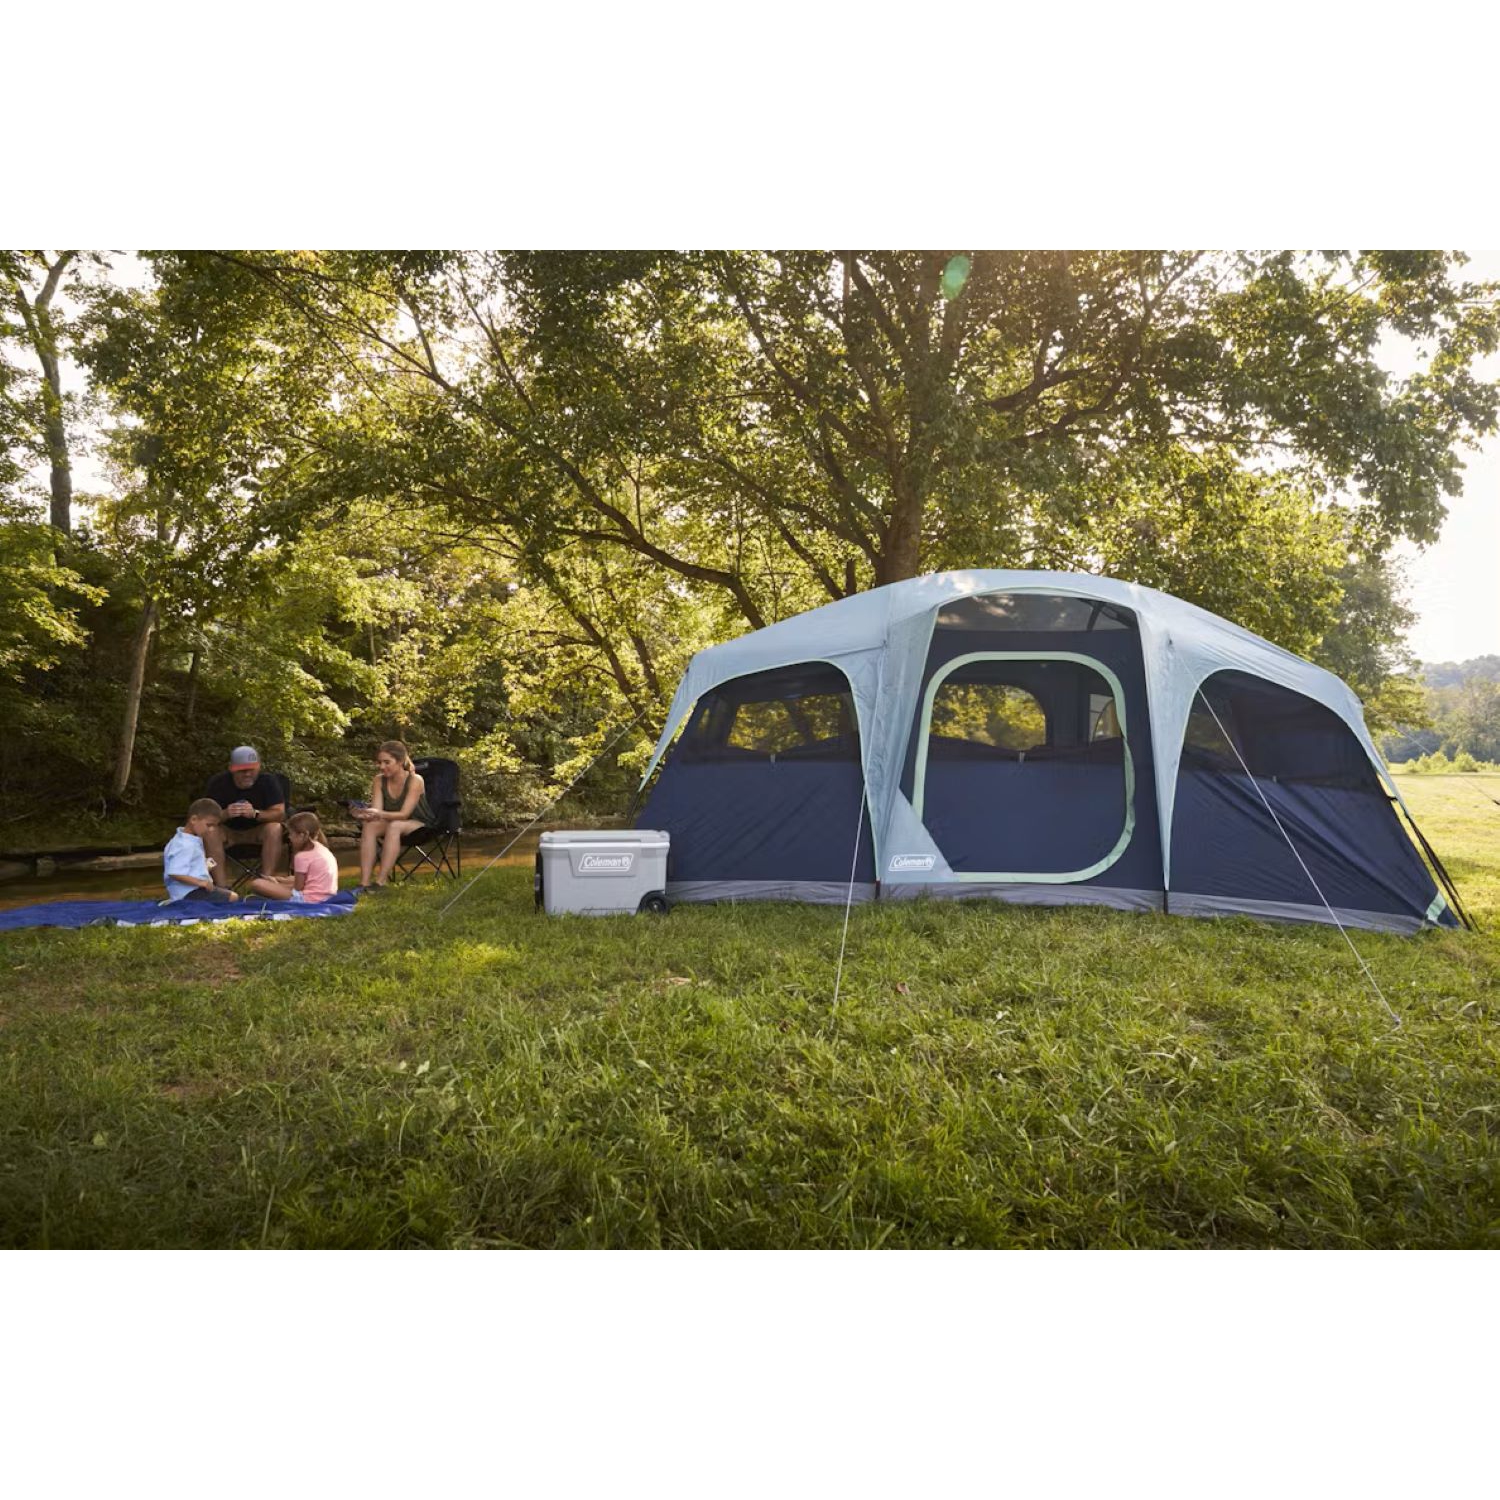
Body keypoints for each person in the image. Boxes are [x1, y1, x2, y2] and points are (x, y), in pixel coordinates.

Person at [354, 740, 435, 893]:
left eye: (387, 762)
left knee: (395, 825)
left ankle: (380, 882)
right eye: (379, 762)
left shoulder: (415, 780)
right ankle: (364, 883)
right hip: (392, 819)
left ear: (400, 762)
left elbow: (404, 814)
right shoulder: (379, 780)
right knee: (369, 826)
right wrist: (365, 814)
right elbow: (377, 810)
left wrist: (378, 813)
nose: (382, 766)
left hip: (419, 822)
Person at [203, 745, 287, 887]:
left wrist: (255, 814)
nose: (247, 774)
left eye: (251, 770)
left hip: (257, 833)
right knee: (210, 832)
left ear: (258, 767)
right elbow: (204, 818)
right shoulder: (218, 783)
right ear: (231, 768)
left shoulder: (268, 782)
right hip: (228, 834)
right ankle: (221, 888)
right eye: (242, 771)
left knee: (275, 828)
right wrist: (225, 814)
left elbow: (279, 813)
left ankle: (266, 883)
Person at [249, 811, 340, 904]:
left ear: (302, 835)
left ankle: (272, 882)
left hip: (308, 899)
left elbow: (298, 888)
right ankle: (274, 880)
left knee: (257, 884)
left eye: (291, 834)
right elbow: (306, 879)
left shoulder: (302, 856)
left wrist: (276, 884)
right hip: (328, 896)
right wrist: (279, 880)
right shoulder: (323, 849)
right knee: (287, 879)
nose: (289, 837)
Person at [162, 798, 241, 904]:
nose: (211, 830)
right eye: (209, 825)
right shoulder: (183, 845)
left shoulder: (191, 839)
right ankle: (179, 903)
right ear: (193, 819)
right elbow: (174, 872)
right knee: (233, 897)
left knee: (227, 894)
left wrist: (204, 867)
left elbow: (188, 866)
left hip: (195, 890)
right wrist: (201, 882)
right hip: (189, 893)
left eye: (214, 826)